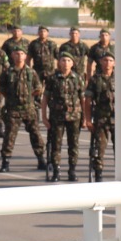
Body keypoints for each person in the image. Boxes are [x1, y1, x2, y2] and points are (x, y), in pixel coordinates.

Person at [0, 47, 46, 174]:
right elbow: (1, 88)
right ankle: (5, 162)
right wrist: (11, 98)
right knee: (9, 136)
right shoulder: (8, 72)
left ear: (25, 56)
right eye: (17, 54)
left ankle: (41, 160)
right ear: (13, 56)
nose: (19, 56)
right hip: (13, 110)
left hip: (29, 109)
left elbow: (38, 88)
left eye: (22, 54)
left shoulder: (31, 72)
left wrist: (29, 97)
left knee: (36, 134)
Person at [43, 50, 84, 182]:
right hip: (57, 117)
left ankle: (72, 170)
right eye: (63, 60)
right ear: (58, 63)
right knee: (56, 145)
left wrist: (85, 118)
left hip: (74, 116)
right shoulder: (52, 78)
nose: (65, 63)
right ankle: (56, 170)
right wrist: (44, 117)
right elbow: (45, 98)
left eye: (68, 61)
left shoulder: (77, 78)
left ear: (72, 63)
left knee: (73, 145)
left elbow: (83, 98)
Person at [84, 54, 117, 182]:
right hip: (100, 119)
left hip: (117, 120)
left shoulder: (120, 78)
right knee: (99, 149)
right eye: (105, 60)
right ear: (101, 63)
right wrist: (87, 119)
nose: (108, 63)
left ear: (114, 63)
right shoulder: (95, 79)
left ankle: (119, 175)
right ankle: (98, 176)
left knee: (120, 150)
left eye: (110, 60)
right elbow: (88, 100)